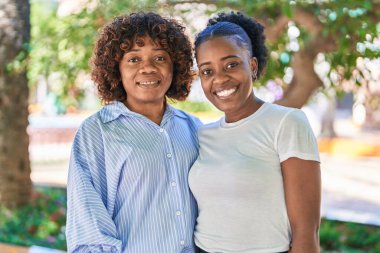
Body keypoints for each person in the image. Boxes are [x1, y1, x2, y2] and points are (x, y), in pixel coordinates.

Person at [66, 12, 202, 253]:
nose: (147, 68)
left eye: (160, 58)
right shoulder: (97, 132)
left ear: (175, 66)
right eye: (133, 59)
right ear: (116, 68)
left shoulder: (193, 129)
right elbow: (89, 228)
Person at [189, 12, 321, 253]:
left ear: (252, 65)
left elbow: (306, 231)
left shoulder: (287, 122)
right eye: (207, 71)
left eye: (231, 64)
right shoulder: (202, 134)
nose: (220, 79)